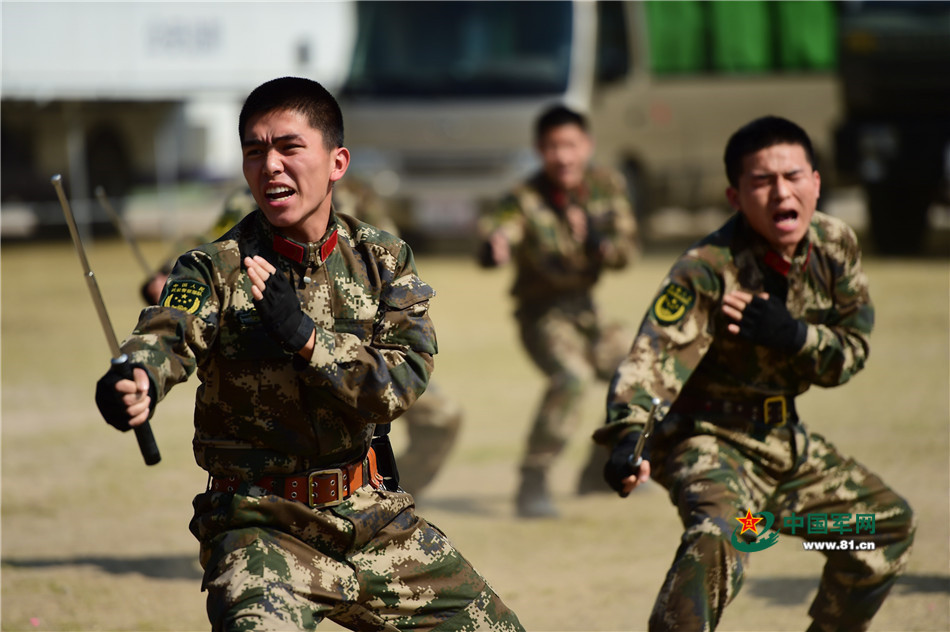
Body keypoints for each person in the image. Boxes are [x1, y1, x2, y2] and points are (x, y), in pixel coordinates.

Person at [95, 76, 522, 631]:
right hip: (260, 528)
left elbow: (402, 381)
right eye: (255, 151)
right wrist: (134, 379)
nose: (270, 165)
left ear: (336, 161)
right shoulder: (212, 268)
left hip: (371, 520)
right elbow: (164, 334)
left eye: (289, 147)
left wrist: (306, 338)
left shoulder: (384, 259)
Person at [596, 116, 915, 631]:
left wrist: (794, 336)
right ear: (735, 195)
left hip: (783, 443)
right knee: (720, 535)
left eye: (793, 176)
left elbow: (850, 353)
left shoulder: (835, 247)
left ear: (815, 181)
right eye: (762, 182)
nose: (780, 192)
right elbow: (651, 360)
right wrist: (626, 436)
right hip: (708, 440)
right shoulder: (706, 268)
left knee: (879, 529)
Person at [140, 182, 462, 497]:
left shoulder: (362, 200)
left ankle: (395, 487)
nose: (275, 165)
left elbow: (388, 259)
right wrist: (167, 271)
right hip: (280, 358)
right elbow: (212, 243)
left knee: (441, 415)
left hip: (361, 353)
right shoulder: (252, 198)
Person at [478, 104, 639, 518]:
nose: (562, 156)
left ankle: (603, 468)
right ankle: (533, 481)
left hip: (587, 310)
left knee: (641, 372)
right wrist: (496, 245)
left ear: (587, 146)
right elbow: (502, 228)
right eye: (552, 147)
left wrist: (603, 245)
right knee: (571, 377)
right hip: (541, 313)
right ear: (538, 149)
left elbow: (626, 252)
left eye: (570, 145)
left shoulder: (606, 187)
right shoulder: (525, 198)